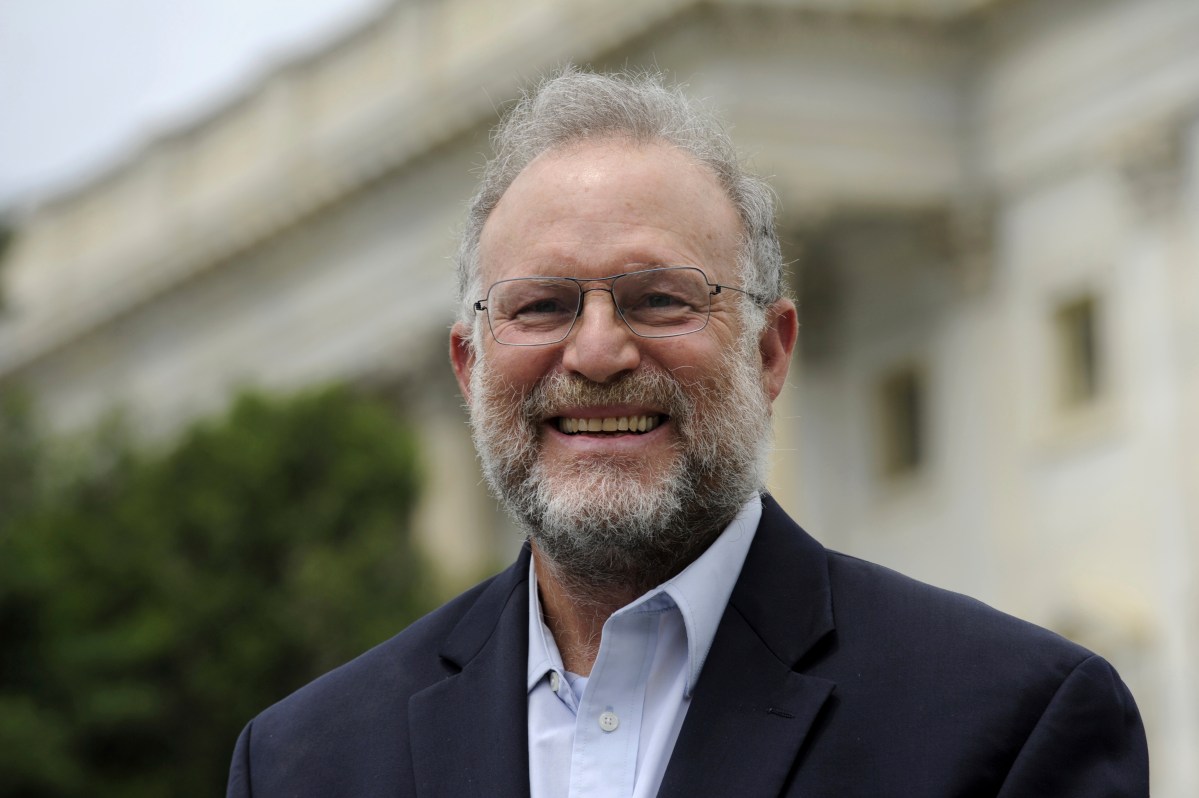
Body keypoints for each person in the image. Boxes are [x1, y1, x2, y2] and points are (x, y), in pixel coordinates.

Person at [226, 67, 1148, 797]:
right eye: (540, 306)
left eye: (659, 298)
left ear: (770, 351)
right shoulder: (305, 763)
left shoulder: (1008, 722)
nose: (595, 351)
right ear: (469, 368)